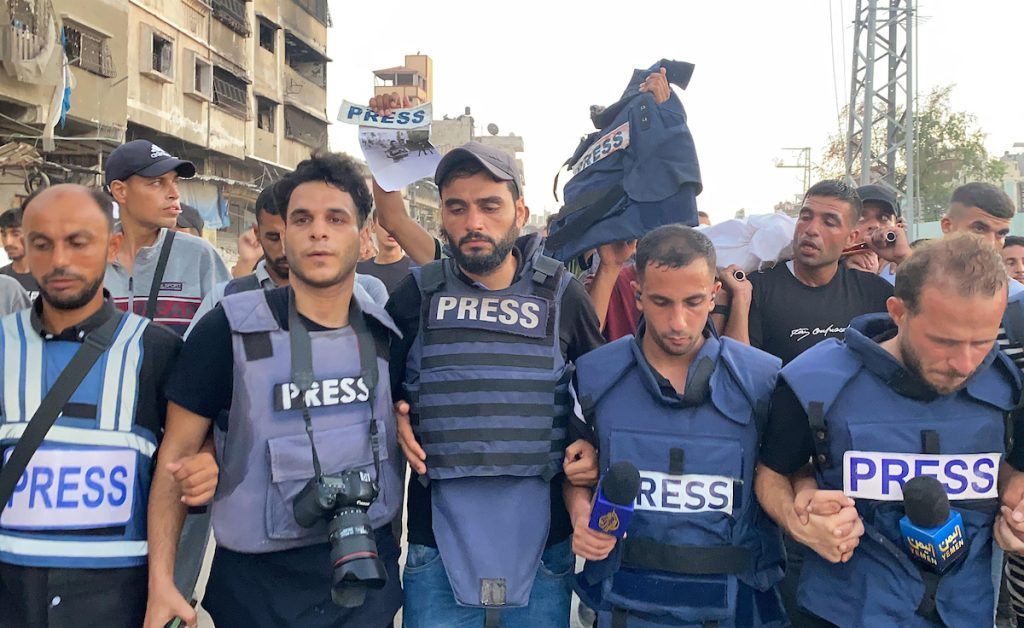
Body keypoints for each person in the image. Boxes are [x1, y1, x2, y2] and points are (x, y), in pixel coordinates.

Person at [144, 153, 405, 628]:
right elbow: (174, 457)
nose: (318, 231)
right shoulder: (226, 330)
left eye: (336, 218)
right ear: (283, 233)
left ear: (364, 237)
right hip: (257, 595)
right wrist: (161, 582)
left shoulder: (389, 335)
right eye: (302, 218)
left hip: (366, 584)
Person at [755, 234, 1024, 627]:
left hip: (967, 611)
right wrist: (798, 522)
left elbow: (1011, 472)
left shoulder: (1007, 387)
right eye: (944, 341)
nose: (965, 364)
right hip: (843, 613)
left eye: (982, 342)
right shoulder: (816, 384)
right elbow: (772, 470)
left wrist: (1015, 505)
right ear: (899, 312)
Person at [387, 142, 604, 626]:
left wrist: (589, 445)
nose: (473, 223)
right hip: (436, 546)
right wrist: (394, 415)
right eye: (457, 208)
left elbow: (602, 395)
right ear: (442, 215)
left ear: (519, 212)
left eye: (490, 206)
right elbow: (373, 387)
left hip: (544, 546)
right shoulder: (417, 294)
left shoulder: (562, 295)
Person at [0, 185, 212, 627]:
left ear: (113, 246)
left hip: (118, 601)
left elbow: (183, 457)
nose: (60, 260)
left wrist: (208, 461)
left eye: (78, 242)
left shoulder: (157, 353)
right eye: (42, 244)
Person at [570, 225, 786, 626]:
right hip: (623, 606)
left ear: (714, 295)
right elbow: (574, 472)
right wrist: (579, 511)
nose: (678, 322)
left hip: (736, 607)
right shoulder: (594, 376)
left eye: (693, 302)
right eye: (661, 302)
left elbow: (789, 475)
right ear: (637, 296)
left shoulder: (764, 381)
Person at [719, 180, 893, 365]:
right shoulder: (756, 289)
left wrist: (904, 258)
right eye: (806, 217)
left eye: (829, 222)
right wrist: (740, 298)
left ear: (851, 238)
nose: (811, 230)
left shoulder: (872, 291)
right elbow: (739, 374)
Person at [103, 139, 230, 335]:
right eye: (156, 182)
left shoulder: (199, 257)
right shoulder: (90, 258)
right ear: (120, 191)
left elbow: (231, 336)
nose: (174, 194)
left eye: (175, 182)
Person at [844, 184, 912, 280]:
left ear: (899, 226)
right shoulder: (826, 267)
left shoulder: (907, 269)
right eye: (861, 217)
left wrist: (904, 261)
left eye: (884, 218)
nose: (875, 225)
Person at [356, 211, 413, 294]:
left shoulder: (415, 271)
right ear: (373, 226)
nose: (390, 229)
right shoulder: (359, 272)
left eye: (397, 223)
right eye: (385, 223)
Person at [0, 206, 40, 298]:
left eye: (15, 234)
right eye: (3, 234)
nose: (8, 242)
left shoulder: (46, 276)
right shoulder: (1, 277)